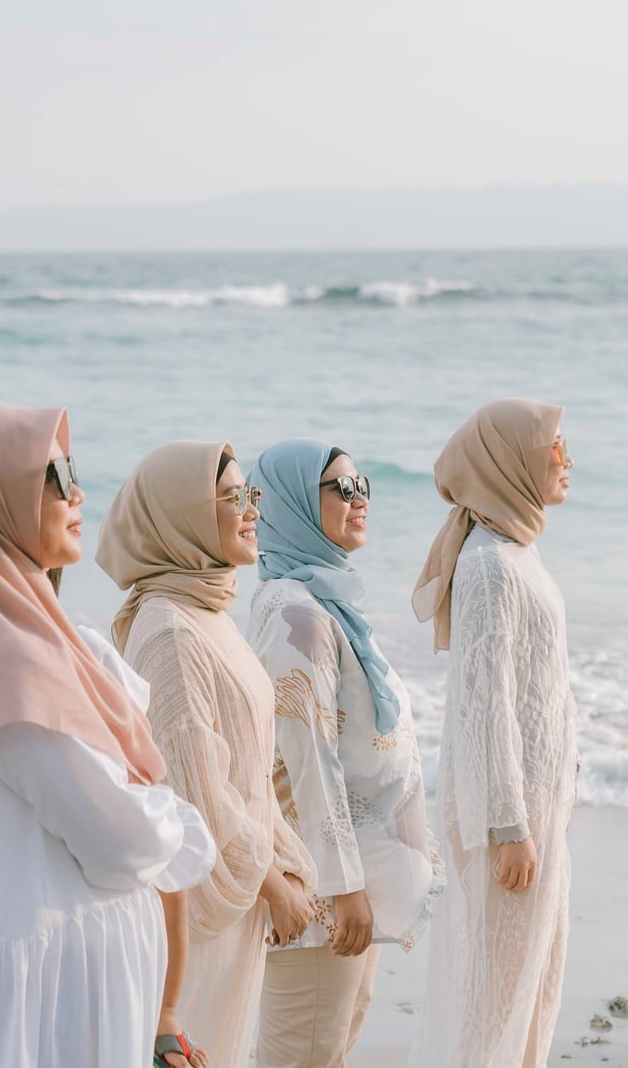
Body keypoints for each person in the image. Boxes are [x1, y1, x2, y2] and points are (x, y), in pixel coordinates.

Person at [0, 401, 215, 1068]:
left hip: (15, 977)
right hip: (43, 1007)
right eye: (54, 474)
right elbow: (121, 841)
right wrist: (176, 819)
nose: (78, 492)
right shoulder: (8, 660)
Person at [95, 441, 317, 1068]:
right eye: (229, 499)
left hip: (233, 894)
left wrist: (281, 862)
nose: (250, 511)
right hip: (195, 912)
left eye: (250, 495)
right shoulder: (169, 629)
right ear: (179, 518)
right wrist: (273, 883)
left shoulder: (207, 606)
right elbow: (196, 794)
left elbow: (248, 766)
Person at [247, 439, 444, 1068]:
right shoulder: (295, 613)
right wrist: (343, 885)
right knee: (301, 1053)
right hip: (326, 890)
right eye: (340, 488)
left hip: (353, 875)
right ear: (296, 505)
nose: (359, 501)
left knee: (329, 1048)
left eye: (364, 487)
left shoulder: (325, 601)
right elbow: (306, 758)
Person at [409, 398, 578, 1068]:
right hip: (509, 807)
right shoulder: (489, 566)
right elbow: (486, 705)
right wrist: (509, 827)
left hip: (537, 800)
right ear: (510, 461)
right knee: (497, 999)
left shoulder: (517, 551)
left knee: (535, 986)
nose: (566, 460)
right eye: (553, 447)